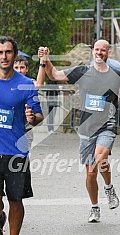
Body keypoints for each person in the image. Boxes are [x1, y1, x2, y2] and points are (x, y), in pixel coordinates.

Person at [38, 39, 120, 223]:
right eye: (97, 50)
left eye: (103, 51)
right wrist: (46, 59)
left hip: (107, 126)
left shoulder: (117, 75)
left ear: (108, 53)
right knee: (91, 173)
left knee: (100, 159)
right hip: (86, 129)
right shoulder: (82, 72)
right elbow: (55, 75)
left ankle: (108, 187)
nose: (100, 53)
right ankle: (95, 207)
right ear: (93, 51)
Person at [0, 36, 43, 235]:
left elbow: (39, 116)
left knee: (15, 200)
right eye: (0, 53)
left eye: (8, 52)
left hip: (16, 151)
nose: (4, 56)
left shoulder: (26, 84)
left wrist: (32, 117)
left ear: (15, 55)